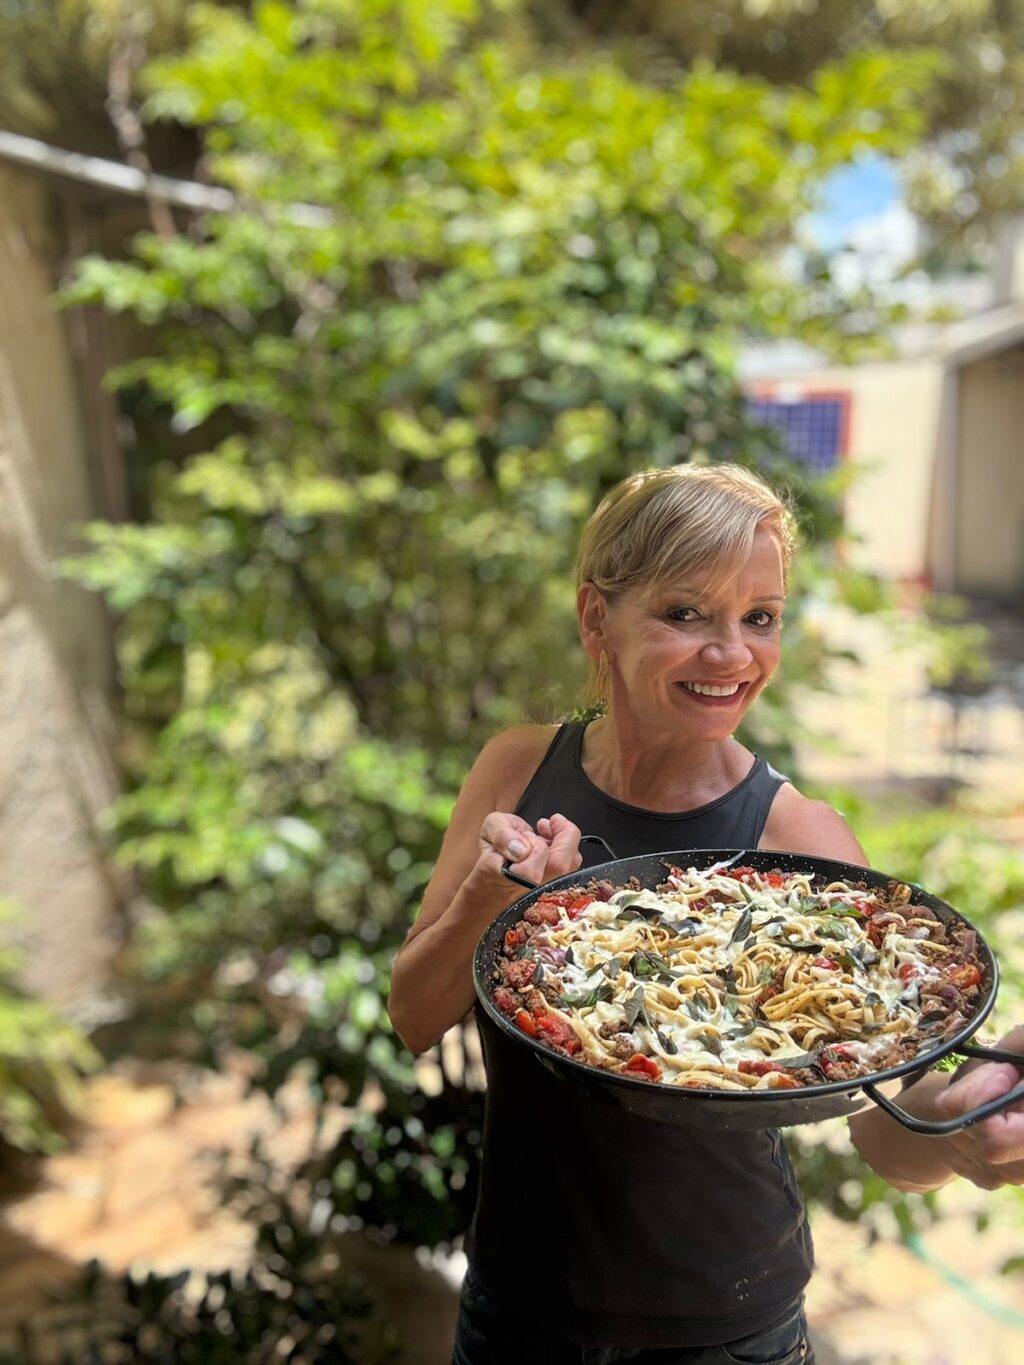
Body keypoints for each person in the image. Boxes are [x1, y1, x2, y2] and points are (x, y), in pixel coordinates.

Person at [387, 463, 1024, 1365]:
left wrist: (961, 1125)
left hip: (726, 1329)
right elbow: (414, 1016)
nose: (733, 653)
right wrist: (490, 897)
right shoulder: (516, 771)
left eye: (759, 616)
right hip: (518, 1307)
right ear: (596, 620)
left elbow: (884, 1128)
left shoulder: (799, 837)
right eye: (686, 612)